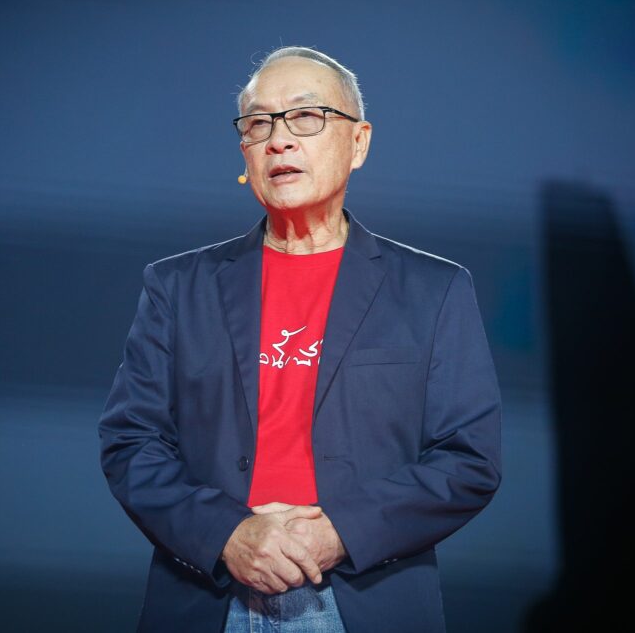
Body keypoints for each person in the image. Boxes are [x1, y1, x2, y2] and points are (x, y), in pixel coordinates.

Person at [98, 46, 502, 633]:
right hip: (211, 594)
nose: (279, 140)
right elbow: (131, 442)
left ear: (358, 142)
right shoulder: (177, 286)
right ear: (244, 151)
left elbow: (469, 459)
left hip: (364, 596)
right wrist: (227, 534)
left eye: (306, 116)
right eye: (259, 123)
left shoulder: (433, 290)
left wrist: (340, 532)